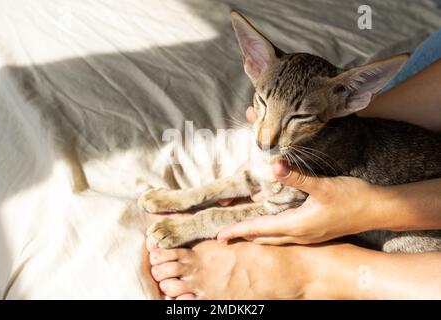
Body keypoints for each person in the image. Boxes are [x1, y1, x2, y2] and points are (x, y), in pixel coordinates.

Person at [145, 29, 441, 299]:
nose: (266, 136)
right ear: (255, 64)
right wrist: (193, 197)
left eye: (297, 118)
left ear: (350, 97)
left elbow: (279, 209)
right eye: (262, 103)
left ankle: (317, 271)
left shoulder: (327, 151)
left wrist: (199, 222)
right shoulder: (304, 120)